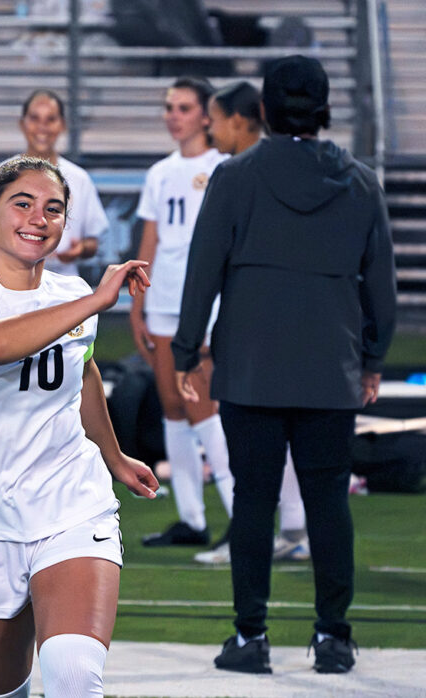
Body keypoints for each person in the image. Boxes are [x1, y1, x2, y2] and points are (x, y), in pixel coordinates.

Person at [173, 55, 396, 675]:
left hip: (250, 366)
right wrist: (373, 359)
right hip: (330, 367)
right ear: (324, 108)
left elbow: (202, 272)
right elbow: (381, 286)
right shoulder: (361, 181)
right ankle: (333, 638)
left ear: (264, 110)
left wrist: (186, 350)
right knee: (328, 502)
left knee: (253, 501)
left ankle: (250, 638)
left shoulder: (235, 177)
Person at [0, 156, 158, 697]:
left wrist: (114, 457)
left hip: (71, 504)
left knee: (74, 679)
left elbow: (85, 371)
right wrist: (96, 300)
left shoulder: (72, 295)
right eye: (21, 203)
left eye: (53, 208)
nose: (37, 217)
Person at [195, 80, 310, 565]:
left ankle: (259, 535)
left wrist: (197, 335)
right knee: (282, 432)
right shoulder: (290, 170)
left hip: (251, 326)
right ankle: (293, 528)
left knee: (250, 436)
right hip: (290, 321)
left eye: (215, 118)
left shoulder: (235, 175)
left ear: (239, 120)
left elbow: (218, 261)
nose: (210, 126)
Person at [130, 76, 233, 548]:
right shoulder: (160, 173)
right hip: (165, 302)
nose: (174, 115)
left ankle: (241, 518)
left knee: (203, 407)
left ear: (207, 115)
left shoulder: (225, 167)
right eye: (169, 106)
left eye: (184, 107)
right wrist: (138, 306)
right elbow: (149, 243)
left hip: (205, 304)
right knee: (173, 407)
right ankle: (192, 520)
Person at [0, 89, 107, 276]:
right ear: (22, 124)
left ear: (62, 125)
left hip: (64, 290)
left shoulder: (80, 179)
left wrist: (79, 250)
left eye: (50, 119)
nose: (42, 127)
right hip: (10, 290)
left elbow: (92, 242)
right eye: (35, 119)